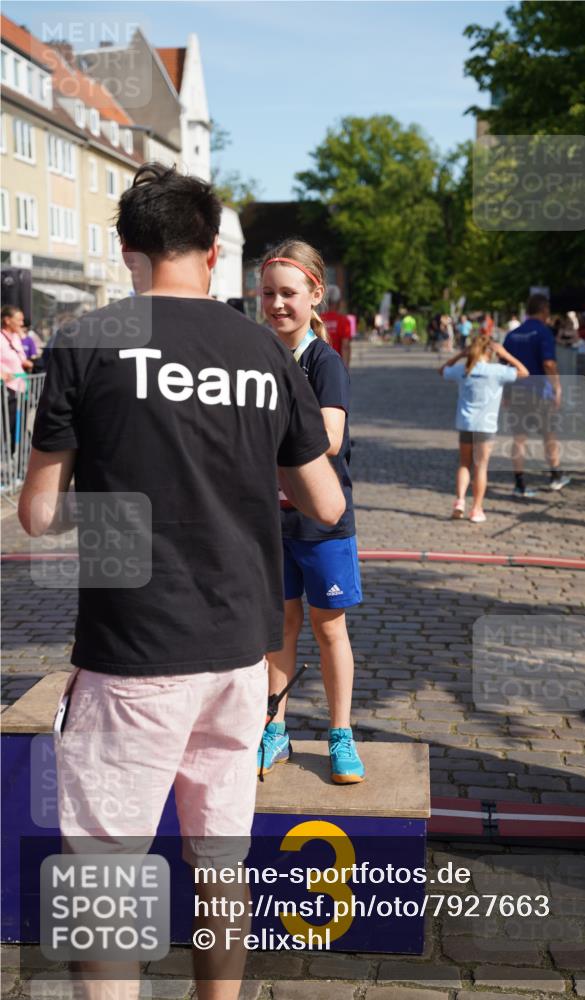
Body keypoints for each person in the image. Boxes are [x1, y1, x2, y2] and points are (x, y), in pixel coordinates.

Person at [18, 164, 345, 1000]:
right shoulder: (262, 350)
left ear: (128, 250)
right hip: (240, 650)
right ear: (210, 252)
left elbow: (38, 514)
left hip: (134, 649)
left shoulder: (87, 339)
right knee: (220, 860)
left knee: (106, 874)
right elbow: (325, 500)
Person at [258, 239, 364, 785]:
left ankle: (341, 732)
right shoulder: (252, 356)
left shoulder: (324, 361)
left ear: (315, 295)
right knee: (279, 627)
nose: (277, 303)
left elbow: (329, 436)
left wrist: (263, 438)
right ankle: (274, 725)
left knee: (329, 630)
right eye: (268, 293)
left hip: (321, 523)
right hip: (267, 521)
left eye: (288, 294)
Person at [441, 334, 528, 522]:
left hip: (465, 423)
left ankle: (460, 500)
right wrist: (506, 354)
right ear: (490, 352)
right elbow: (524, 372)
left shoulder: (464, 369)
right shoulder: (497, 371)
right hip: (486, 426)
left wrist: (460, 355)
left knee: (464, 463)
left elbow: (442, 370)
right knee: (481, 467)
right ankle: (477, 508)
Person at [503, 293, 571, 497]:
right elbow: (549, 363)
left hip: (516, 391)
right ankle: (555, 476)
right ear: (544, 311)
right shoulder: (544, 333)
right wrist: (557, 387)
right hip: (540, 393)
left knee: (519, 439)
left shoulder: (512, 334)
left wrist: (505, 393)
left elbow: (504, 366)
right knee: (549, 435)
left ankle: (519, 483)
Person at [1, 305, 33, 454]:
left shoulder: (15, 337)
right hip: (6, 389)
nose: (22, 323)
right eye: (18, 320)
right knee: (8, 425)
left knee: (19, 426)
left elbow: (21, 358)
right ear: (7, 320)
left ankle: (16, 458)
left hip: (20, 388)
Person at [320, 284, 352, 368]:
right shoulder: (344, 321)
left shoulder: (318, 320)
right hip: (337, 365)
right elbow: (345, 346)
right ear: (338, 302)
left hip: (320, 364)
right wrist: (345, 369)